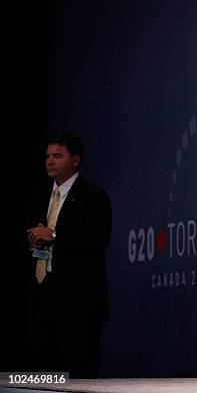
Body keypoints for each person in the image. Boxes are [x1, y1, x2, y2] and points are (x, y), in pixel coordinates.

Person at [26, 133, 112, 378]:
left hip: (78, 300)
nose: (49, 161)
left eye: (57, 156)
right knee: (42, 374)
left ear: (75, 160)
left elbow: (98, 239)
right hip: (43, 294)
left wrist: (54, 236)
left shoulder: (93, 196)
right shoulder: (39, 197)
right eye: (47, 156)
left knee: (79, 372)